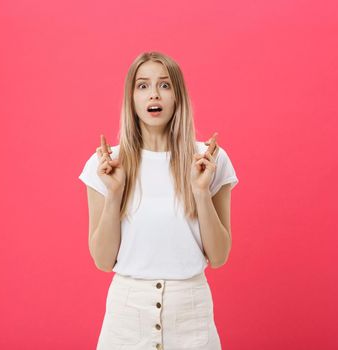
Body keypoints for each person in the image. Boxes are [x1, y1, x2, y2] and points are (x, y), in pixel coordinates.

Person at [78, 51, 239, 350]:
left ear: (178, 96)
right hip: (126, 320)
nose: (154, 94)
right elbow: (102, 261)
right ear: (132, 98)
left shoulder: (208, 160)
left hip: (192, 316)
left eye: (165, 85)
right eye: (143, 86)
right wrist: (114, 194)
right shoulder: (106, 163)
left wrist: (201, 192)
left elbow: (218, 257)